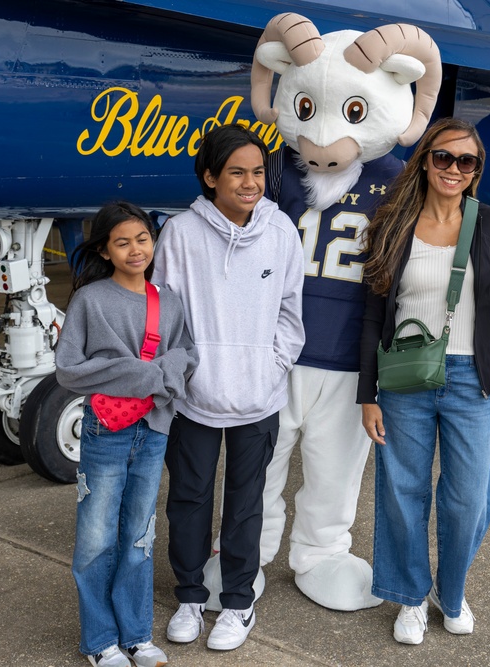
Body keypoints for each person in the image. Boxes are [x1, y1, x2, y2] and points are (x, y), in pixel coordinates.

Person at [358, 117, 490, 645]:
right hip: (405, 376)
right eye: (443, 157)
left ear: (476, 171)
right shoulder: (392, 223)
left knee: (468, 498)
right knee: (403, 493)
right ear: (425, 160)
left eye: (465, 161)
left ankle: (451, 591)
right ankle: (408, 597)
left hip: (472, 379)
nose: (453, 168)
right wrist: (367, 394)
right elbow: (371, 315)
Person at [153, 124, 305, 651]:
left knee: (247, 504)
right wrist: (184, 373)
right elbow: (166, 314)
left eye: (258, 171)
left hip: (259, 398)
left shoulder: (282, 230)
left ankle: (238, 604)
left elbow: (290, 311)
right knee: (189, 500)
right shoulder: (179, 233)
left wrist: (271, 366)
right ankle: (191, 597)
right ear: (210, 176)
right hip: (194, 400)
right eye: (237, 172)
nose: (250, 182)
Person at [55, 201, 198, 667]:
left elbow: (186, 354)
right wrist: (141, 374)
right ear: (104, 250)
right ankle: (100, 641)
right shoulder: (91, 301)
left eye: (142, 239)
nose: (135, 249)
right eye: (122, 242)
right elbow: (68, 370)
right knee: (97, 540)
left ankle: (136, 635)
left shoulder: (168, 300)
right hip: (106, 432)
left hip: (153, 429)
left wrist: (162, 375)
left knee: (139, 536)